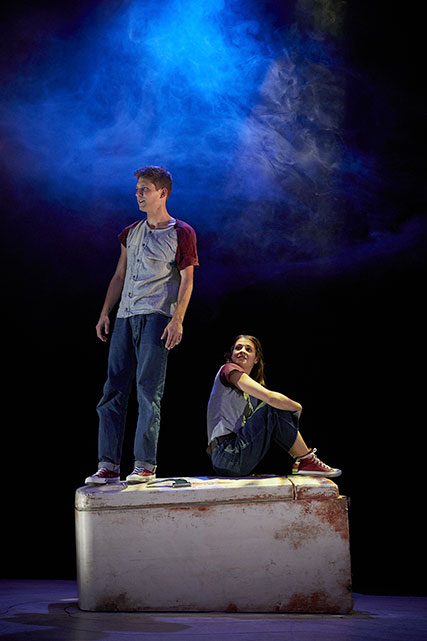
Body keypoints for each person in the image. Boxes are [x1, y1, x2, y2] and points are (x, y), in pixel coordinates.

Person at [85, 166, 198, 485]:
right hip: (125, 316)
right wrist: (105, 312)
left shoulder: (181, 232)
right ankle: (108, 465)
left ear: (162, 193)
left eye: (144, 189)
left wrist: (178, 319)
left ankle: (145, 464)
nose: (138, 194)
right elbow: (119, 275)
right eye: (137, 189)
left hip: (156, 316)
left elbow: (187, 279)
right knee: (113, 390)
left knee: (148, 391)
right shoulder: (130, 233)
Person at [207, 334, 341, 478]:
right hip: (226, 454)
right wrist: (297, 407)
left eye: (248, 349)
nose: (242, 351)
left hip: (236, 455)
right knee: (273, 405)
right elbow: (271, 398)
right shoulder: (227, 369)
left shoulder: (251, 397)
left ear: (256, 359)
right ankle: (306, 459)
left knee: (277, 407)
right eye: (238, 348)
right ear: (231, 354)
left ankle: (301, 459)